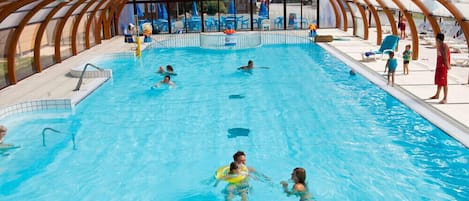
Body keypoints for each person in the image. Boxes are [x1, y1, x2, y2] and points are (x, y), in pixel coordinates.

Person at [430, 33, 451, 104]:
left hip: (443, 66)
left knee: (444, 82)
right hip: (439, 66)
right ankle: (437, 95)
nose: (435, 40)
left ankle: (445, 98)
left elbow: (445, 57)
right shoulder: (439, 45)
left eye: (436, 39)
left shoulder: (444, 46)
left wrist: (447, 65)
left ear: (438, 39)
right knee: (439, 81)